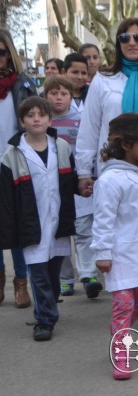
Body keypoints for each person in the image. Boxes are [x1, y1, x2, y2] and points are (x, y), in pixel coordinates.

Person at [76, 18, 138, 331]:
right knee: (121, 234)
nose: (131, 42)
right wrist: (84, 171)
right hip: (115, 169)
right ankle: (123, 301)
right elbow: (90, 128)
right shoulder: (104, 81)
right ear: (118, 44)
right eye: (124, 38)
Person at [0, 97, 78, 340]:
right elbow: (6, 196)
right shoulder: (12, 154)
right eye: (30, 115)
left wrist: (83, 187)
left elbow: (71, 181)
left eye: (41, 115)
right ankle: (44, 320)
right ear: (22, 121)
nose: (36, 118)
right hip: (30, 222)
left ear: (49, 119)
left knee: (53, 273)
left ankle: (48, 307)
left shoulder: (62, 147)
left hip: (57, 219)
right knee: (38, 273)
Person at [91, 113, 138, 378]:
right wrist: (103, 253)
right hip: (119, 255)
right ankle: (121, 353)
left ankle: (119, 329)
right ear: (124, 143)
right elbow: (103, 220)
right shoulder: (110, 180)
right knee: (124, 306)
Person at [43, 76, 99, 299]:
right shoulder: (43, 122)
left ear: (70, 96)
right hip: (54, 187)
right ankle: (65, 279)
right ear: (45, 96)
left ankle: (88, 274)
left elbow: (88, 149)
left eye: (63, 93)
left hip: (78, 182)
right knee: (61, 233)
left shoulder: (81, 120)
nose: (58, 97)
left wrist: (88, 175)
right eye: (53, 93)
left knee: (85, 230)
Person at [0, 29, 38, 307]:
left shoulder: (22, 83)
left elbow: (35, 118)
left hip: (14, 160)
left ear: (9, 53)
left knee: (15, 224)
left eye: (1, 52)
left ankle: (20, 283)